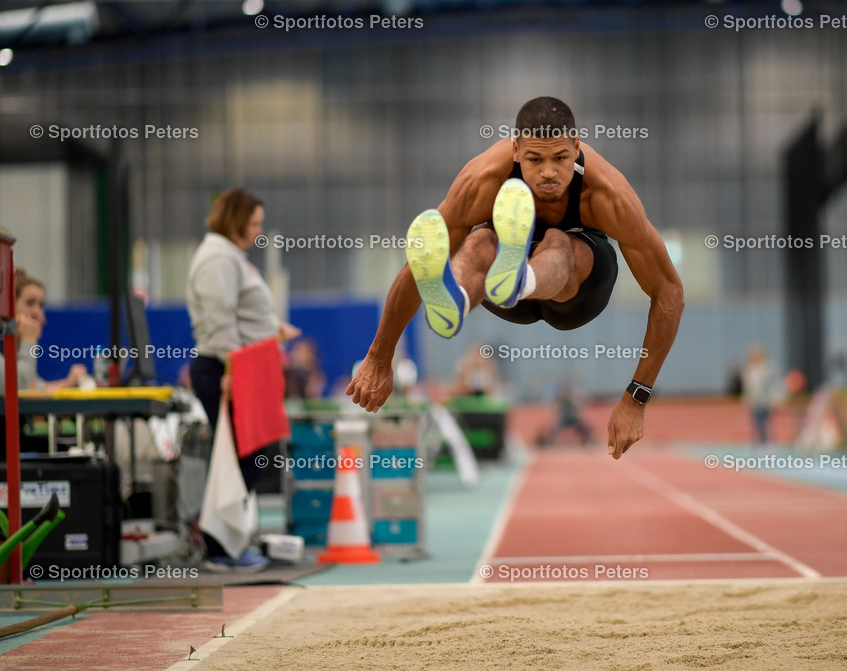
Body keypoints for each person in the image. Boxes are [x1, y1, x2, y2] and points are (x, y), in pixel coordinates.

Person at [347, 97, 684, 459]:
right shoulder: (482, 180)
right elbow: (418, 265)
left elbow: (668, 291)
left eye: (560, 158)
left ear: (576, 146)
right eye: (535, 160)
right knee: (477, 241)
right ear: (515, 149)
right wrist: (379, 358)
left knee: (558, 242)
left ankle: (520, 277)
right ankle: (457, 296)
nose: (549, 173)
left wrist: (637, 396)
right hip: (502, 295)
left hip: (576, 293)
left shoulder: (608, 195)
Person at [186, 188, 301, 572]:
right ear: (235, 220)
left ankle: (225, 540)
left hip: (237, 365)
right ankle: (219, 546)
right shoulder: (217, 258)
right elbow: (220, 320)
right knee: (239, 458)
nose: (258, 229)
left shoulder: (230, 257)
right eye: (254, 222)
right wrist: (231, 373)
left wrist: (273, 329)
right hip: (226, 369)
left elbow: (241, 315)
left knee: (252, 452)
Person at [0, 268, 88, 395]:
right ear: (9, 307)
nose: (37, 312)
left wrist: (70, 382)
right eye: (30, 303)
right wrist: (28, 339)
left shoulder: (19, 349)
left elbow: (37, 388)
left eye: (41, 306)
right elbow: (18, 387)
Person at [741, 345, 780, 446]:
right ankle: (758, 442)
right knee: (755, 423)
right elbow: (748, 387)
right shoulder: (749, 369)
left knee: (765, 422)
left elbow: (773, 385)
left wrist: (775, 398)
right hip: (754, 401)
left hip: (765, 400)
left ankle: (767, 442)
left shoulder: (767, 368)